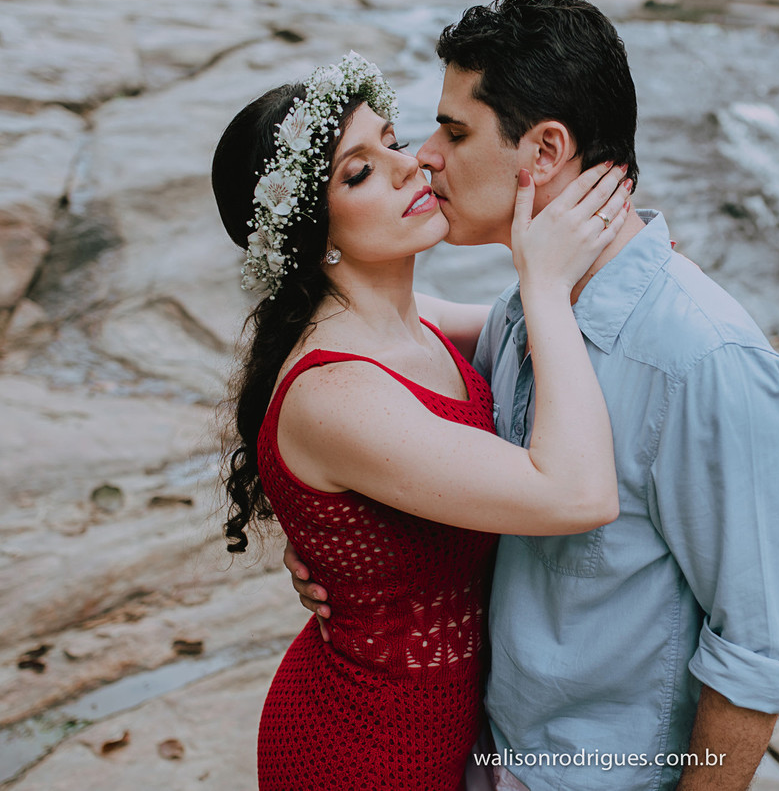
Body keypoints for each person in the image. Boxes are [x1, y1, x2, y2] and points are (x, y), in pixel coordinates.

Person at [288, 0, 779, 789]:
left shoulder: (706, 363)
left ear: (543, 151)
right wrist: (341, 544)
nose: (427, 157)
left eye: (455, 132)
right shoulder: (522, 314)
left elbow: (761, 654)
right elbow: (383, 339)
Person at [211, 50, 633, 790]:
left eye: (393, 141)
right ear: (315, 236)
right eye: (359, 172)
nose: (412, 168)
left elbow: (589, 328)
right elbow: (579, 495)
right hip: (364, 753)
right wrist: (541, 278)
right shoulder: (336, 394)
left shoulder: (415, 323)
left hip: (451, 732)